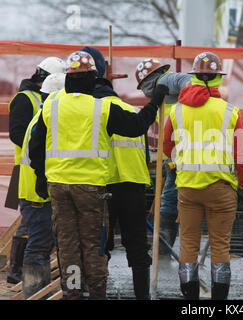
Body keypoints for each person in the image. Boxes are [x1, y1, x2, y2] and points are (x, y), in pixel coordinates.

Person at [28, 51, 161, 300]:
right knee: (93, 243)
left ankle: (74, 292)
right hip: (90, 188)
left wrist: (39, 177)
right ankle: (98, 292)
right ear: (92, 79)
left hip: (58, 185)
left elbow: (36, 148)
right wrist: (156, 102)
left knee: (68, 244)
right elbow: (137, 126)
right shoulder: (101, 108)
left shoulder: (52, 106)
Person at [163, 52, 243, 300]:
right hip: (220, 189)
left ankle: (190, 300)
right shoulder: (229, 112)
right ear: (217, 80)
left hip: (187, 188)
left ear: (194, 78)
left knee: (188, 243)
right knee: (220, 244)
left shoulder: (177, 111)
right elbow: (242, 155)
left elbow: (167, 146)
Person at [80, 47, 152, 300]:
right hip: (133, 185)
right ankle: (143, 295)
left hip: (102, 185)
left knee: (101, 244)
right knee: (137, 246)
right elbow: (144, 155)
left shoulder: (91, 114)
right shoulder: (130, 110)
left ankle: (98, 292)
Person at [6, 57, 66, 284]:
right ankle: (16, 272)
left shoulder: (44, 97)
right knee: (29, 223)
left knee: (28, 222)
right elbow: (16, 134)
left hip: (37, 168)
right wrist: (40, 149)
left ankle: (16, 274)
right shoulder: (25, 99)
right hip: (24, 170)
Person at [135, 58, 192, 255]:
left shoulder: (165, 81)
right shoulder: (162, 94)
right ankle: (163, 247)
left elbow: (188, 80)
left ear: (147, 81)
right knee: (167, 197)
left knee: (169, 200)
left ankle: (163, 251)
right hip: (173, 152)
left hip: (182, 154)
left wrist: (190, 99)